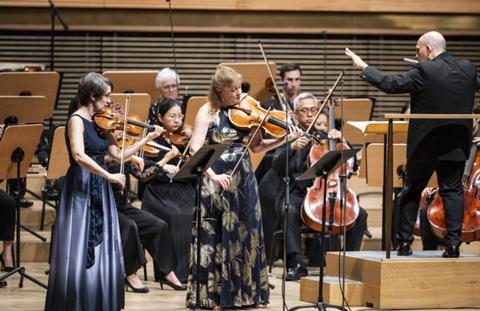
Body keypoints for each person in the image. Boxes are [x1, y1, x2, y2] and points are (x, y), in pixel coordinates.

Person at [346, 31, 480, 258]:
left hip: (426, 144)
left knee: (411, 190)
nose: (416, 55)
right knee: (452, 191)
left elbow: (391, 84)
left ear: (428, 49)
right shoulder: (467, 68)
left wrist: (364, 67)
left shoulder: (424, 70)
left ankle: (404, 244)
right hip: (457, 143)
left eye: (418, 50)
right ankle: (453, 245)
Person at [45, 72, 163, 310]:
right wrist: (108, 175)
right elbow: (79, 155)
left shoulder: (101, 122)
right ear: (92, 95)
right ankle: (78, 300)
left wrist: (147, 138)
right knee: (81, 243)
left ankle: (98, 298)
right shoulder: (76, 120)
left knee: (104, 244)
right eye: (107, 96)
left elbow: (118, 154)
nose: (110, 101)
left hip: (100, 186)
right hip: (81, 186)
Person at [185, 65, 301, 309]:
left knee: (245, 234)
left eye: (239, 88)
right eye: (233, 90)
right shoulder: (208, 110)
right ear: (219, 91)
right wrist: (213, 176)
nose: (239, 93)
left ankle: (245, 295)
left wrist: (284, 138)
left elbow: (257, 147)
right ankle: (213, 296)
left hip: (243, 177)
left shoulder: (246, 110)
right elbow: (195, 149)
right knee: (214, 235)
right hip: (215, 177)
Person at [269, 92, 367, 280]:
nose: (309, 114)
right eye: (304, 110)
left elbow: (350, 166)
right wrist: (292, 147)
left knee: (360, 215)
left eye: (313, 110)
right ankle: (297, 263)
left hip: (326, 192)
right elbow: (276, 165)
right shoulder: (288, 135)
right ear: (296, 114)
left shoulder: (326, 137)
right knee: (289, 209)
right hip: (297, 192)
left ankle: (350, 262)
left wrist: (343, 140)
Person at [107, 154, 187, 293]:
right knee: (129, 226)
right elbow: (108, 160)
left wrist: (161, 165)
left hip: (122, 207)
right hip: (105, 207)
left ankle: (167, 272)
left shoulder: (125, 155)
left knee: (158, 225)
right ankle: (130, 274)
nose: (120, 135)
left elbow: (142, 175)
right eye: (116, 132)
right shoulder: (104, 154)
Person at [141, 98, 195, 284]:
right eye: (172, 116)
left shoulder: (185, 139)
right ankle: (173, 272)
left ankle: (196, 269)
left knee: (198, 213)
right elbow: (145, 169)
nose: (177, 120)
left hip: (184, 189)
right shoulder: (151, 139)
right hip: (159, 192)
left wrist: (195, 139)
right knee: (178, 216)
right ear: (160, 117)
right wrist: (163, 166)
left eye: (180, 116)